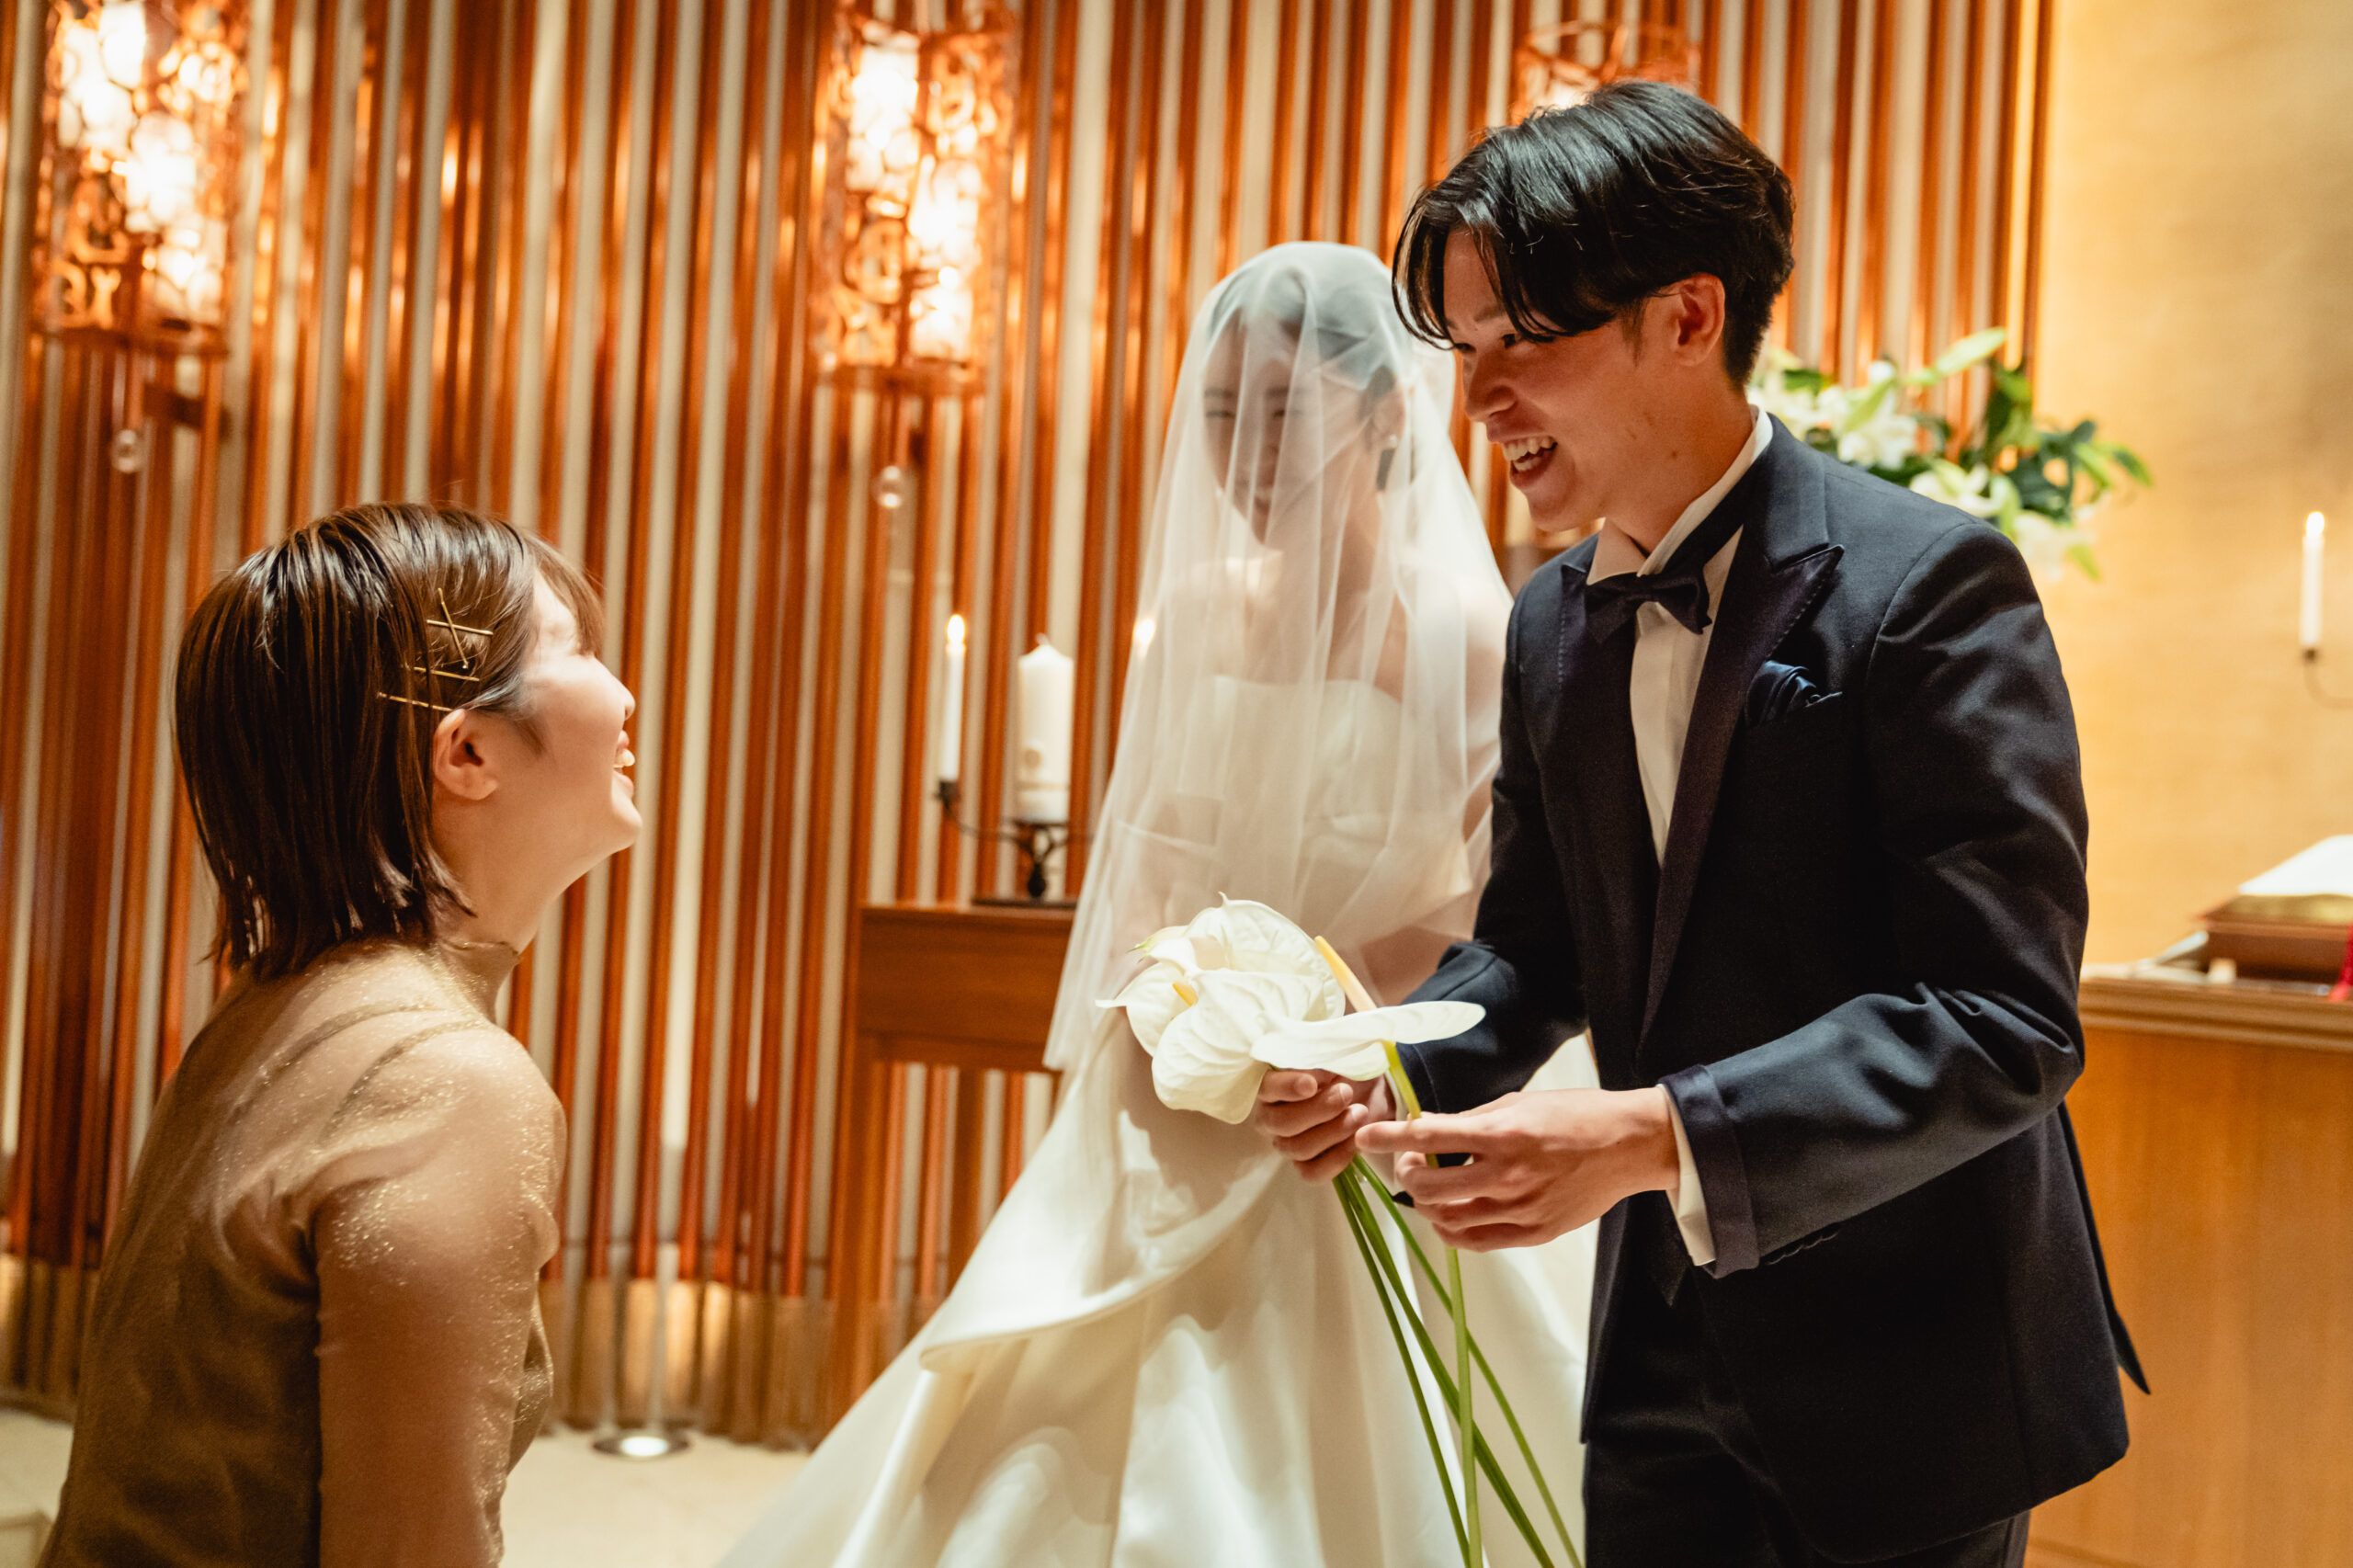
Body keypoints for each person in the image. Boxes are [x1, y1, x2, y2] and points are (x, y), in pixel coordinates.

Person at [1262, 84, 2143, 1568]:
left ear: (1687, 315)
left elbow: (2004, 1017)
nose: (1481, 400)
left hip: (1909, 1359)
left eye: (1524, 338)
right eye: (1465, 349)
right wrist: (1381, 1060)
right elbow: (1530, 953)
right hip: (1659, 1360)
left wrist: (1649, 1132)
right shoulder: (1550, 623)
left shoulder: (1932, 584)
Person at [722, 242, 1593, 1568]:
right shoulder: (1202, 611)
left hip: (1370, 1067)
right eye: (1223, 413)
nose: (1245, 452)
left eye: (1282, 410)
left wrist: (1313, 1019)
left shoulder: (1475, 634)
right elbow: (1156, 857)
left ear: (1380, 413)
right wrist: (1171, 989)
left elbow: (1497, 909)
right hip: (1189, 1067)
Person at [42, 505, 638, 1567]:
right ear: (467, 750)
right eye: (578, 649)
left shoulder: (275, 998)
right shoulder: (447, 1079)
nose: (625, 693)